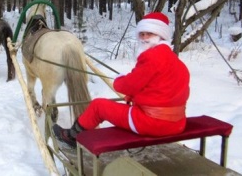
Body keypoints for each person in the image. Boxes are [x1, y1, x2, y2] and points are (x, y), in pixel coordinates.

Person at [53, 12, 190, 148]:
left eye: (150, 33)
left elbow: (126, 85)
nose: (144, 38)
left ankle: (71, 137)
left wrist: (119, 80)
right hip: (177, 124)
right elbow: (159, 89)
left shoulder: (152, 57)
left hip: (152, 124)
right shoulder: (176, 62)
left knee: (98, 106)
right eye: (142, 34)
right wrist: (134, 96)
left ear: (161, 35)